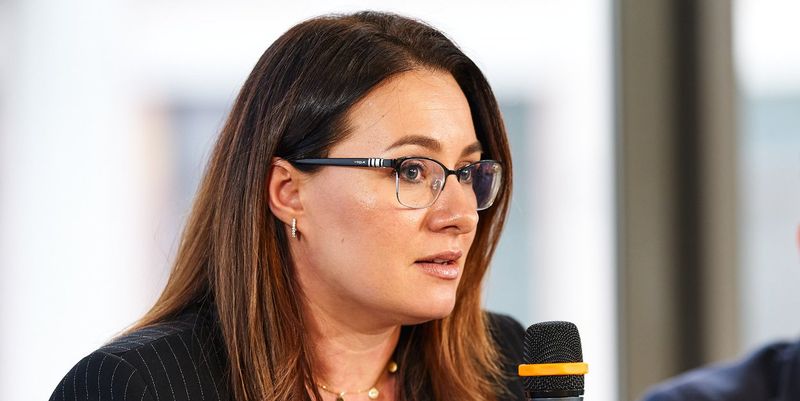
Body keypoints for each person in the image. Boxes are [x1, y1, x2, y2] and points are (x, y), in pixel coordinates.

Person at [49, 11, 524, 401]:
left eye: (468, 172)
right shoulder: (135, 387)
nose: (461, 216)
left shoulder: (508, 367)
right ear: (288, 192)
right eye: (411, 171)